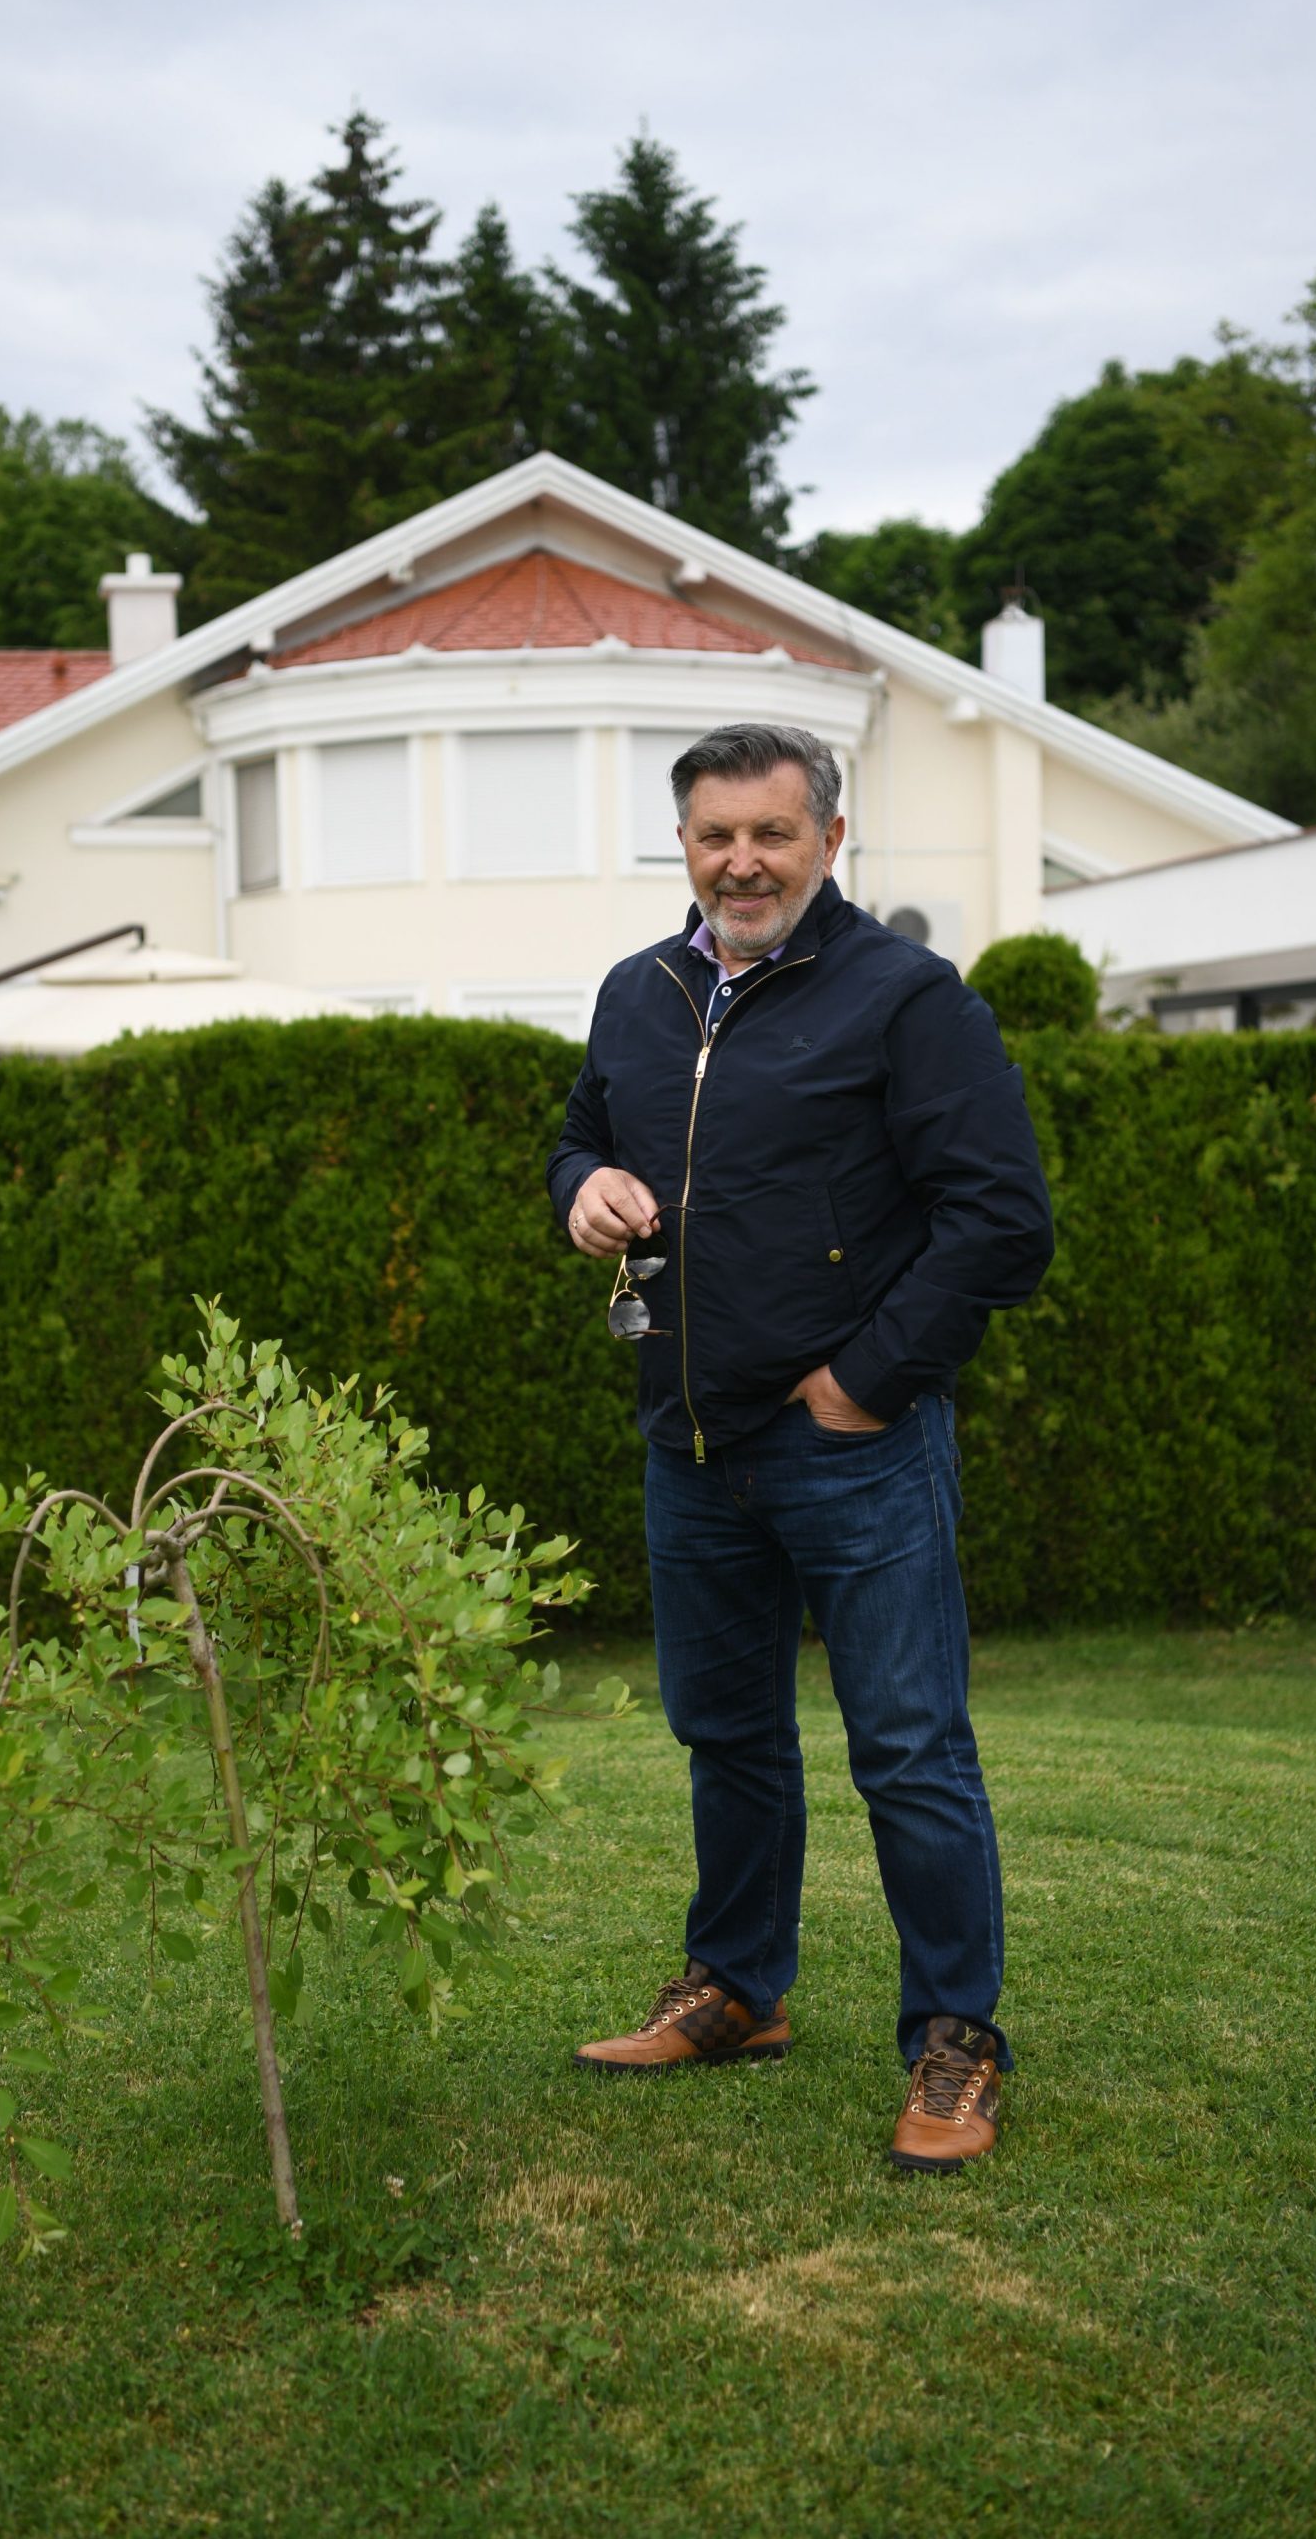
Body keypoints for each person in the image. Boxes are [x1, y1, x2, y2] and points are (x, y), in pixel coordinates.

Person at [546, 720, 1054, 2172]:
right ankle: (736, 1991)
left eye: (771, 833)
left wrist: (869, 1382)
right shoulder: (638, 994)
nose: (742, 861)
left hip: (854, 1450)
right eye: (715, 835)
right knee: (729, 1738)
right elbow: (580, 1135)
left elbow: (1002, 1222)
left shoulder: (907, 998)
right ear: (686, 847)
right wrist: (583, 1186)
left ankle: (955, 2044)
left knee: (908, 1750)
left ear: (830, 840)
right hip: (690, 1445)